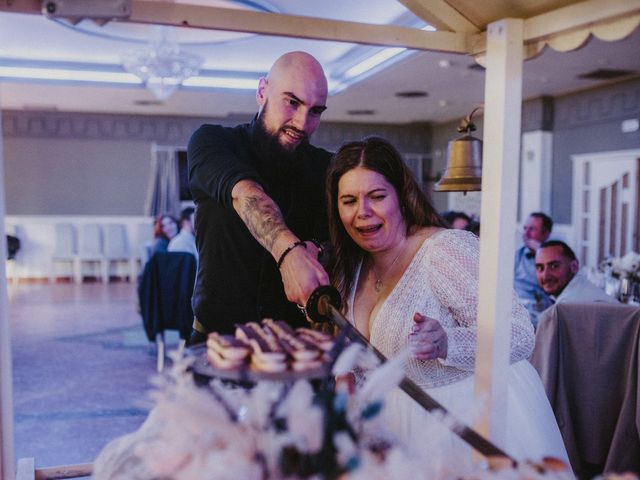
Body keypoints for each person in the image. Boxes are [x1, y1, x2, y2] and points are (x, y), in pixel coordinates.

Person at [326, 137, 568, 462]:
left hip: (462, 430)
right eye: (349, 200)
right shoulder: (350, 270)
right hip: (388, 438)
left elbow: (520, 333)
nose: (363, 212)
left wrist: (447, 343)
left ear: (401, 196)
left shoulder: (446, 250)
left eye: (377, 196)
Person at [187, 51, 331, 343]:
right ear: (262, 91)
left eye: (315, 111)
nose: (303, 123)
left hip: (295, 349)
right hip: (216, 345)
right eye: (292, 102)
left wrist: (320, 248)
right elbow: (245, 195)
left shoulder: (326, 168)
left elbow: (335, 238)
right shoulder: (213, 142)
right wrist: (290, 254)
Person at [535, 240, 618, 305]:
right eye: (540, 268)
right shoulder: (582, 287)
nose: (545, 275)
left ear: (574, 266)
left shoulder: (569, 305)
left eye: (554, 266)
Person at [514, 212, 554, 326]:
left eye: (532, 229)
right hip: (521, 316)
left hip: (546, 316)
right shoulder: (516, 256)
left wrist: (541, 253)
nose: (526, 234)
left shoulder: (556, 259)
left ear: (545, 234)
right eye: (525, 228)